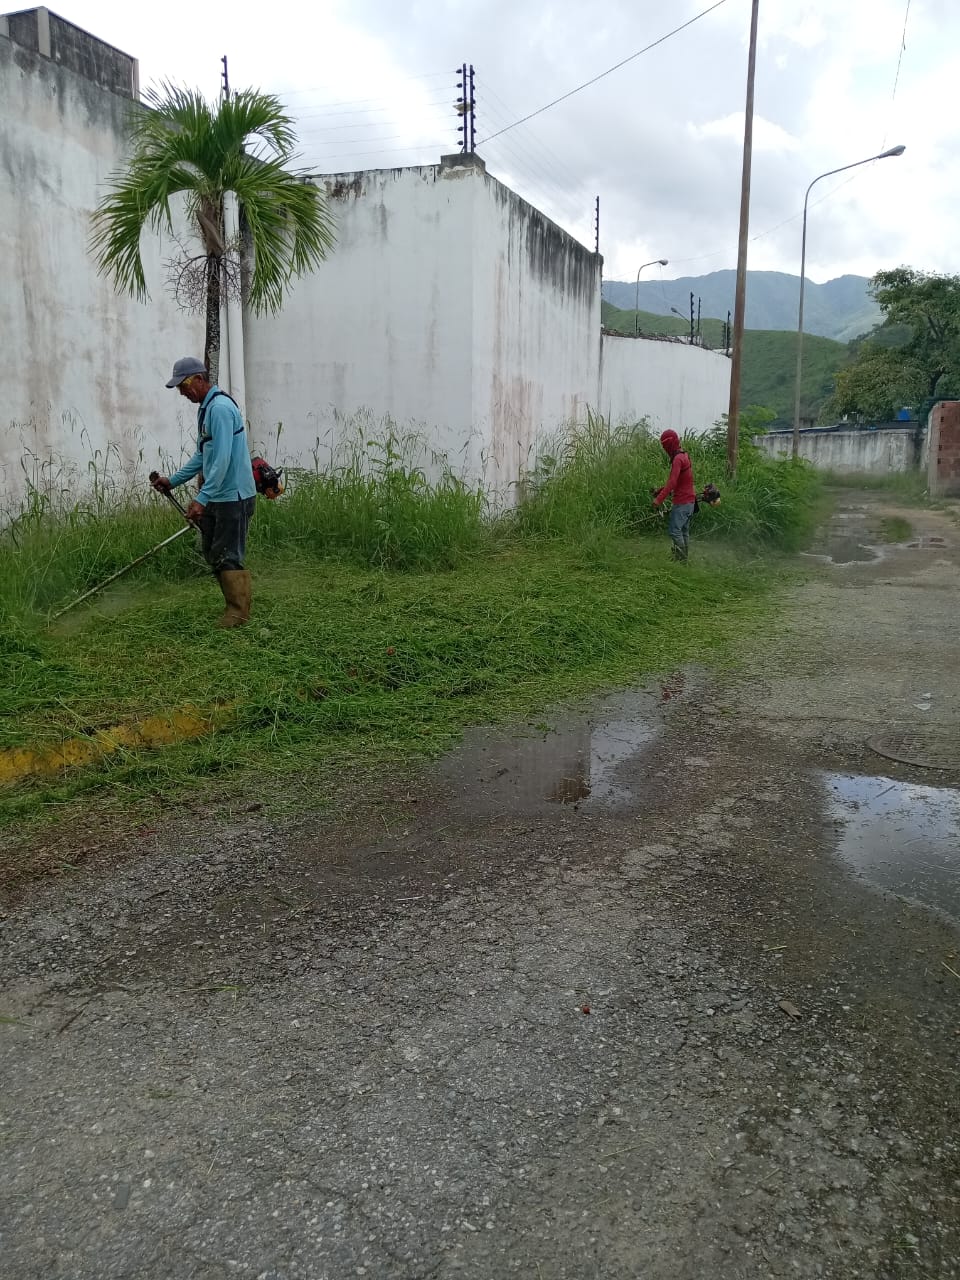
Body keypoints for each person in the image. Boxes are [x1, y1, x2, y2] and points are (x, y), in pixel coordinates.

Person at [151, 357, 257, 627]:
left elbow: (221, 461)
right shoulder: (207, 409)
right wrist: (172, 481)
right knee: (213, 551)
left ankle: (238, 614)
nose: (182, 393)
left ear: (199, 379)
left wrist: (201, 499)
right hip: (218, 495)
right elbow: (203, 455)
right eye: (179, 388)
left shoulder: (219, 408)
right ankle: (233, 606)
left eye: (183, 386)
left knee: (227, 553)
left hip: (233, 496)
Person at [652, 428, 697, 562]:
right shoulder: (684, 455)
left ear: (670, 444)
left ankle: (681, 559)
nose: (665, 449)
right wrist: (660, 490)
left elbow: (672, 482)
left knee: (675, 531)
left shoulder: (677, 459)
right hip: (690, 501)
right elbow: (679, 481)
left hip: (682, 503)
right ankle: (683, 558)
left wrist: (658, 500)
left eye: (665, 445)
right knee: (683, 531)